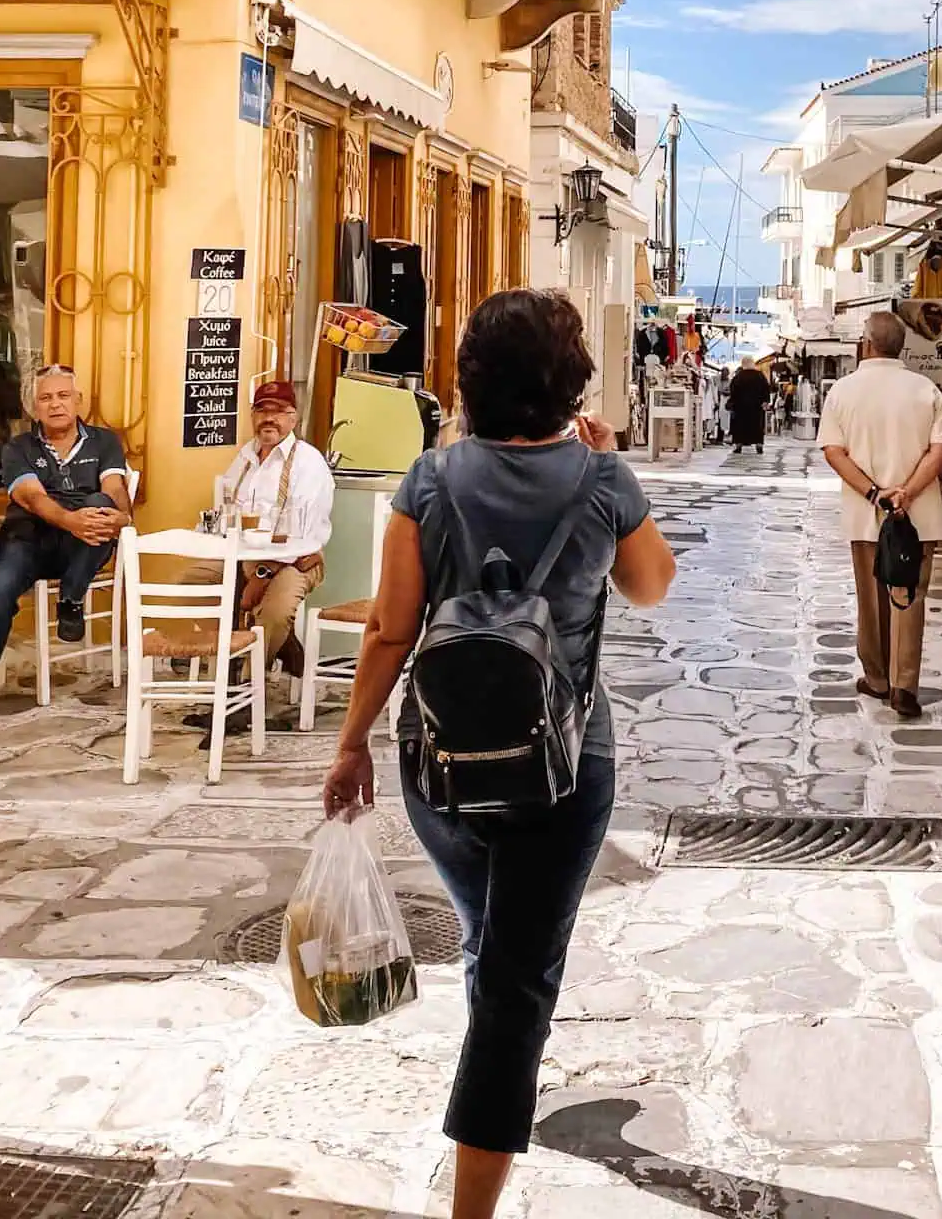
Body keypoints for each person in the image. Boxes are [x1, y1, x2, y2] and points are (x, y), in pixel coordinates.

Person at [321, 290, 676, 1219]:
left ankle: (496, 1099)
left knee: (493, 941)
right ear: (569, 383)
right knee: (518, 981)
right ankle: (474, 1196)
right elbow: (650, 588)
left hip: (438, 758)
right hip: (563, 763)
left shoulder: (428, 482)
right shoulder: (601, 480)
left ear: (474, 378)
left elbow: (389, 632)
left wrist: (351, 743)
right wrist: (608, 469)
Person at [0, 363, 130, 734]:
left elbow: (112, 489)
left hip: (82, 545)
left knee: (100, 502)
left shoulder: (103, 441)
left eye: (63, 396)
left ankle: (71, 598)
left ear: (79, 400)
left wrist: (120, 516)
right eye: (45, 398)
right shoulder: (19, 447)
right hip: (29, 540)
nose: (56, 404)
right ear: (33, 407)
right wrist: (73, 520)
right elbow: (32, 498)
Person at [817, 309, 942, 721]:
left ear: (866, 343)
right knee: (908, 597)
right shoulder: (925, 389)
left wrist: (875, 494)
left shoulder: (843, 391)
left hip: (867, 513)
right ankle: (904, 684)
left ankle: (877, 677)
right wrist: (908, 493)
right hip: (918, 514)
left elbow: (834, 452)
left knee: (871, 597)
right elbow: (940, 449)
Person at [200, 379, 335, 684]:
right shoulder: (245, 457)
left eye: (279, 411)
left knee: (273, 614)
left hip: (296, 561)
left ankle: (248, 690)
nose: (269, 418)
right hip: (242, 556)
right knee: (191, 587)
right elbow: (226, 509)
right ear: (252, 416)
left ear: (293, 418)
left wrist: (260, 575)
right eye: (262, 410)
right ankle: (234, 664)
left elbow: (302, 537)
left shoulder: (308, 462)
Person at [726, 356, 771, 454]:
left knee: (740, 426)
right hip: (757, 407)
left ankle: (738, 445)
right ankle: (759, 445)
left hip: (740, 407)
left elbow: (733, 391)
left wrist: (732, 403)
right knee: (757, 426)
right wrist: (765, 401)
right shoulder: (760, 375)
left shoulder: (738, 376)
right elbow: (766, 389)